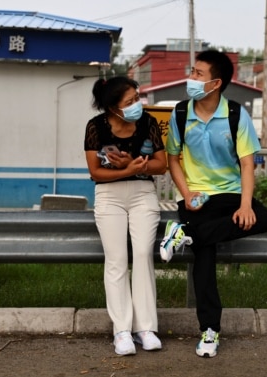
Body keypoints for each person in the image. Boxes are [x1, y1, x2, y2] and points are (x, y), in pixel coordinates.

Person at [161, 50, 267, 358]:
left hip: (230, 193)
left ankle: (185, 234)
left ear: (216, 83)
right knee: (205, 257)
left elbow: (248, 165)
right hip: (195, 197)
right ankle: (209, 330)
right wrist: (186, 194)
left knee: (262, 218)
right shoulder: (181, 113)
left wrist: (246, 205)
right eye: (192, 71)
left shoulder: (236, 114)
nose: (191, 78)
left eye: (198, 74)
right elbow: (173, 160)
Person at [84, 76, 167, 356]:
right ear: (113, 108)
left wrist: (133, 167)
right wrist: (128, 170)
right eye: (130, 101)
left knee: (143, 253)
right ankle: (121, 330)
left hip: (143, 194)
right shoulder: (95, 127)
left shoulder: (148, 123)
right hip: (109, 196)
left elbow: (161, 165)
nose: (137, 104)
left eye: (137, 97)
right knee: (117, 260)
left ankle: (145, 328)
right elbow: (96, 172)